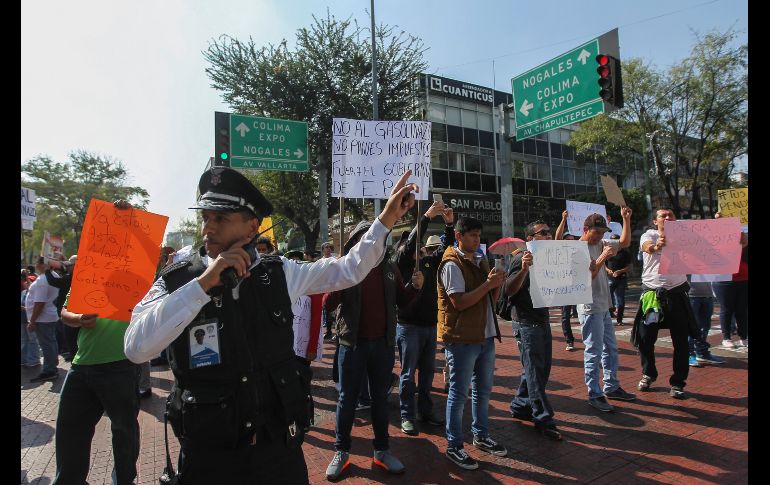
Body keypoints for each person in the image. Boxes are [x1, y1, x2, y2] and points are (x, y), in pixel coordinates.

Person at [124, 167, 417, 485]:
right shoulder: (178, 279)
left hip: (278, 453)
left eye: (220, 218)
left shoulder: (281, 273)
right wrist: (202, 286)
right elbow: (136, 347)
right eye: (206, 217)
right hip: (210, 459)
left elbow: (349, 269)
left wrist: (386, 219)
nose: (208, 227)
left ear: (252, 226)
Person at [323, 220, 423, 480]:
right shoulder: (346, 268)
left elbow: (403, 301)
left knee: (380, 399)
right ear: (356, 243)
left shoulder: (390, 268)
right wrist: (338, 277)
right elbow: (327, 303)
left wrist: (415, 287)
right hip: (351, 345)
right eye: (365, 238)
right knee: (346, 400)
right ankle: (341, 451)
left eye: (377, 239)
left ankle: (382, 451)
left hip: (382, 345)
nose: (372, 244)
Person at [53, 200, 142, 485]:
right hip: (81, 367)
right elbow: (64, 312)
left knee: (124, 434)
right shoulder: (87, 274)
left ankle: (124, 481)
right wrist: (78, 318)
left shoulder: (137, 273)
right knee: (69, 434)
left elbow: (146, 244)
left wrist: (130, 220)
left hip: (120, 366)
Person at [437, 217, 507, 471]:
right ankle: (454, 445)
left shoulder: (479, 260)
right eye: (472, 235)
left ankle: (480, 434)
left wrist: (496, 284)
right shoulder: (451, 263)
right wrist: (488, 283)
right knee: (458, 394)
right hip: (462, 338)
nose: (477, 240)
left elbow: (490, 300)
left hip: (485, 335)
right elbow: (459, 302)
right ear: (459, 236)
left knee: (483, 390)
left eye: (479, 235)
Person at [392, 201, 455, 436]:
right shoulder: (403, 262)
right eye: (413, 245)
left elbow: (446, 247)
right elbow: (409, 245)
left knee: (428, 373)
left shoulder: (428, 263)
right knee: (408, 374)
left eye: (421, 247)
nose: (418, 248)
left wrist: (449, 225)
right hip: (409, 327)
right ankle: (407, 415)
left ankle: (425, 411)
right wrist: (427, 216)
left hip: (429, 326)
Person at [631, 208, 701, 400]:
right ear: (655, 221)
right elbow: (647, 246)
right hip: (653, 296)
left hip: (677, 294)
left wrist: (739, 242)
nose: (668, 217)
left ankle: (678, 382)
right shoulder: (649, 234)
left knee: (681, 341)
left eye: (671, 215)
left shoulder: (686, 236)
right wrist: (656, 246)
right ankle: (649, 373)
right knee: (645, 339)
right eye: (663, 216)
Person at [504, 220, 562, 440]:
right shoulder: (521, 258)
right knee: (536, 372)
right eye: (543, 233)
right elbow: (509, 289)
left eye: (549, 232)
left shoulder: (546, 260)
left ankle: (520, 405)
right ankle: (543, 417)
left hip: (541, 320)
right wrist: (525, 269)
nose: (548, 236)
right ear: (530, 238)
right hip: (527, 323)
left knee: (538, 369)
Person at [578, 210, 637, 412]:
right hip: (589, 306)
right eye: (596, 232)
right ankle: (594, 392)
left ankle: (611, 386)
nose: (600, 236)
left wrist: (626, 219)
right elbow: (587, 278)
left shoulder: (602, 243)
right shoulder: (578, 248)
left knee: (610, 348)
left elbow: (625, 242)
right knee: (593, 351)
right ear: (586, 230)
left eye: (602, 232)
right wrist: (603, 256)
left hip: (603, 305)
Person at [26, 257, 61, 382]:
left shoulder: (42, 279)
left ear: (42, 264)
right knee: (50, 342)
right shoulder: (53, 275)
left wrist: (32, 321)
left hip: (43, 318)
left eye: (37, 263)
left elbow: (39, 303)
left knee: (46, 344)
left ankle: (49, 370)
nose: (35, 265)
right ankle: (52, 366)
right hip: (48, 315)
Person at [553, 211, 578, 350]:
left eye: (572, 240)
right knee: (565, 316)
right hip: (564, 288)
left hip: (579, 287)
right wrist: (563, 219)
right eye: (567, 239)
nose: (570, 242)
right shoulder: (560, 252)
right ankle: (569, 340)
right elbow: (557, 237)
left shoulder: (578, 252)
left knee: (583, 313)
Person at [686, 277, 724, 366]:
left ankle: (702, 353)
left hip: (708, 294)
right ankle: (689, 354)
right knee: (691, 326)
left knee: (705, 327)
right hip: (692, 295)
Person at [604, 235, 632, 325]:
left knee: (620, 302)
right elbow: (603, 264)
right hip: (609, 278)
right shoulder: (607, 252)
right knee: (607, 299)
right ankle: (608, 316)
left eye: (615, 240)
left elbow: (629, 267)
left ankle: (619, 319)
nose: (613, 242)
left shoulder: (625, 253)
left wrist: (620, 271)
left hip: (621, 279)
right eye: (611, 240)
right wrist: (608, 270)